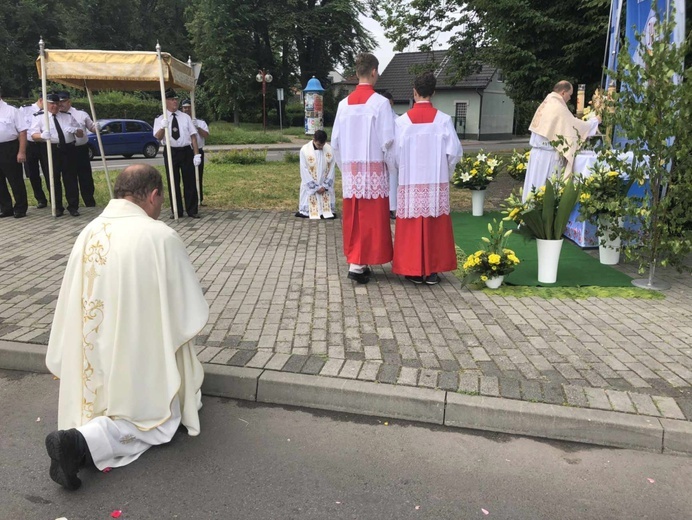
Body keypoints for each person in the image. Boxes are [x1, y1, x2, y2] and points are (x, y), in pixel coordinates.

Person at [44, 164, 209, 491]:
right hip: (135, 349)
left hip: (91, 350)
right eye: (161, 201)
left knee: (102, 402)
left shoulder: (88, 232)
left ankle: (80, 435)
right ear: (153, 195)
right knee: (155, 419)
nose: (160, 208)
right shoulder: (159, 235)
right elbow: (187, 310)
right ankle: (80, 444)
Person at [391, 72, 463, 285]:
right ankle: (432, 271)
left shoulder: (402, 122)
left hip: (410, 180)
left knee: (412, 226)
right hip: (434, 181)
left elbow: (394, 155)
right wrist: (445, 174)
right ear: (433, 92)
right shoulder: (443, 120)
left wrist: (402, 169)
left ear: (414, 92)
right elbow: (455, 153)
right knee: (434, 225)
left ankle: (412, 270)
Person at [331, 53, 396, 284]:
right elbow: (388, 142)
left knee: (355, 218)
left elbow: (335, 143)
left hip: (352, 172)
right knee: (370, 219)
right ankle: (358, 264)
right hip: (374, 171)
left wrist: (346, 169)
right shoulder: (380, 104)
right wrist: (391, 169)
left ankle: (358, 261)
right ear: (374, 72)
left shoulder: (342, 105)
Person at [523, 80, 600, 201]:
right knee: (544, 188)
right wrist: (595, 121)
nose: (570, 98)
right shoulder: (557, 106)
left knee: (534, 185)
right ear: (563, 92)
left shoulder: (548, 102)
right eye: (570, 95)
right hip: (548, 157)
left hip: (538, 154)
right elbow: (574, 127)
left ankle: (530, 211)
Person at [30, 92, 83, 216]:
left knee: (70, 178)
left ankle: (73, 206)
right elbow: (33, 135)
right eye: (52, 104)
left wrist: (76, 130)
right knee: (53, 178)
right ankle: (57, 206)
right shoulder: (39, 117)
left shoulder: (67, 116)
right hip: (50, 149)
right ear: (46, 104)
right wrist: (42, 136)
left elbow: (81, 133)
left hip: (68, 149)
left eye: (57, 104)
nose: (55, 106)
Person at [153, 89, 201, 218]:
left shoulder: (185, 117)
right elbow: (157, 137)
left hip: (186, 151)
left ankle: (192, 210)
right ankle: (177, 210)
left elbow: (193, 136)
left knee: (189, 181)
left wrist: (196, 154)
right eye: (172, 99)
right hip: (170, 151)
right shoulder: (160, 118)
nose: (175, 102)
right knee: (173, 181)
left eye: (176, 99)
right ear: (166, 101)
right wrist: (163, 127)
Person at [58, 91, 98, 207]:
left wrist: (97, 127)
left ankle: (89, 201)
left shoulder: (81, 114)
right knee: (69, 177)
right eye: (59, 102)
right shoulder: (57, 116)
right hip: (66, 150)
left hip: (81, 149)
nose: (61, 104)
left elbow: (91, 127)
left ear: (69, 101)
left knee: (85, 176)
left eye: (63, 101)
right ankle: (73, 203)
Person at [0, 88, 28, 218]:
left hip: (10, 147)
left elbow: (22, 132)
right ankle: (6, 208)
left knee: (15, 179)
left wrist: (21, 152)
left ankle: (21, 207)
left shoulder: (12, 110)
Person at [296, 129, 336, 219]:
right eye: (318, 145)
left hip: (324, 184)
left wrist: (325, 186)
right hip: (311, 182)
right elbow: (304, 170)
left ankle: (324, 210)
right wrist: (315, 187)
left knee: (327, 213)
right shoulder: (304, 150)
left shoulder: (329, 149)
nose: (320, 147)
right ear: (314, 139)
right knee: (308, 211)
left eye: (322, 145)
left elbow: (332, 168)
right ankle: (308, 211)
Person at [21, 97, 50, 209]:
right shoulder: (25, 110)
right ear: (41, 99)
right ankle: (40, 199)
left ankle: (54, 198)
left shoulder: (48, 112)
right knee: (33, 174)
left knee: (49, 172)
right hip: (30, 145)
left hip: (44, 143)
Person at [181, 99, 209, 205]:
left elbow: (206, 135)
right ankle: (188, 199)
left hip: (199, 151)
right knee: (187, 176)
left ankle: (199, 199)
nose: (187, 109)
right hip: (186, 150)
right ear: (182, 109)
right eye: (185, 107)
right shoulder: (181, 122)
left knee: (198, 176)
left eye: (189, 107)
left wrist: (197, 127)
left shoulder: (200, 122)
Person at [382, 91, 399, 220]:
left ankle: (393, 208)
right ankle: (382, 208)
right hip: (379, 155)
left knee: (393, 183)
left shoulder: (398, 120)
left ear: (392, 102)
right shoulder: (378, 119)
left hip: (393, 155)